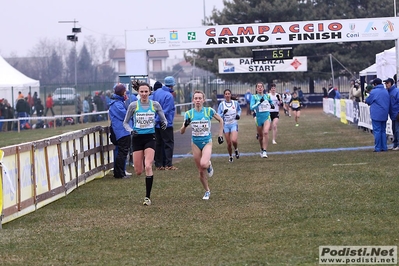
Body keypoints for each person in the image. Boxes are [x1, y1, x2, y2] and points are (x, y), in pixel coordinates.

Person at [123, 81, 168, 206]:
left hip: (150, 137)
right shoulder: (133, 105)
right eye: (141, 91)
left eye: (146, 92)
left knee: (148, 166)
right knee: (138, 171)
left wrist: (163, 123)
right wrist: (131, 131)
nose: (143, 94)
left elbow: (164, 119)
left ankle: (147, 197)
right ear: (138, 92)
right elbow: (125, 123)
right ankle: (142, 163)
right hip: (137, 139)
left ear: (150, 92)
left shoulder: (155, 104)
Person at [180, 90, 224, 200]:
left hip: (207, 142)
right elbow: (181, 131)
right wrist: (185, 125)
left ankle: (209, 164)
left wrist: (220, 135)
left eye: (200, 98)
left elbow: (221, 120)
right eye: (196, 98)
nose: (198, 100)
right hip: (195, 143)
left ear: (203, 100)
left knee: (204, 164)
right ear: (193, 100)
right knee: (200, 170)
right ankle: (207, 190)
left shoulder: (209, 111)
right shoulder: (189, 114)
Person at [152, 77, 178, 170]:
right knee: (168, 144)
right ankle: (168, 164)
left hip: (157, 124)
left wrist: (155, 120)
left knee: (158, 144)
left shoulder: (156, 92)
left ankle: (159, 164)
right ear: (172, 85)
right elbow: (165, 111)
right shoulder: (169, 95)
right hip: (166, 123)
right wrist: (159, 119)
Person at [109, 84, 132, 179]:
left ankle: (121, 171)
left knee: (122, 152)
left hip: (122, 131)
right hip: (122, 131)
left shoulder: (118, 103)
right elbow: (125, 115)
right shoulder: (117, 105)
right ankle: (119, 173)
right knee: (122, 152)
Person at [250, 82, 275, 158]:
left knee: (266, 132)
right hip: (258, 118)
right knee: (260, 137)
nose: (260, 88)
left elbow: (271, 101)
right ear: (256, 89)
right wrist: (259, 102)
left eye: (261, 86)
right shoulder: (254, 97)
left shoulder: (267, 96)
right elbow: (252, 107)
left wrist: (272, 104)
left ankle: (264, 151)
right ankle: (261, 148)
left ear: (263, 88)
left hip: (267, 116)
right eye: (258, 87)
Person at [365, 78, 389, 152]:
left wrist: (366, 100)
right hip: (384, 113)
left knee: (377, 131)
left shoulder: (374, 92)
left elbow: (368, 101)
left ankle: (378, 147)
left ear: (375, 84)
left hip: (376, 114)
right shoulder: (385, 91)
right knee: (383, 131)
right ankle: (384, 147)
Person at [218, 88, 241, 162]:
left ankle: (236, 149)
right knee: (229, 143)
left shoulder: (235, 103)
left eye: (228, 94)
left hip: (234, 124)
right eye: (226, 94)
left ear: (230, 95)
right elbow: (218, 116)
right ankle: (230, 156)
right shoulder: (221, 104)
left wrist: (238, 115)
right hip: (226, 125)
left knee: (234, 140)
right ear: (224, 95)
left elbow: (239, 110)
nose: (227, 95)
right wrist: (223, 113)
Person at [385, 77, 399, 150]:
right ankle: (395, 144)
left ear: (391, 83)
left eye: (387, 83)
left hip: (396, 113)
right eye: (385, 83)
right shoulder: (388, 92)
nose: (386, 85)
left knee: (397, 129)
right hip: (392, 114)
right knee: (394, 129)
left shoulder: (396, 91)